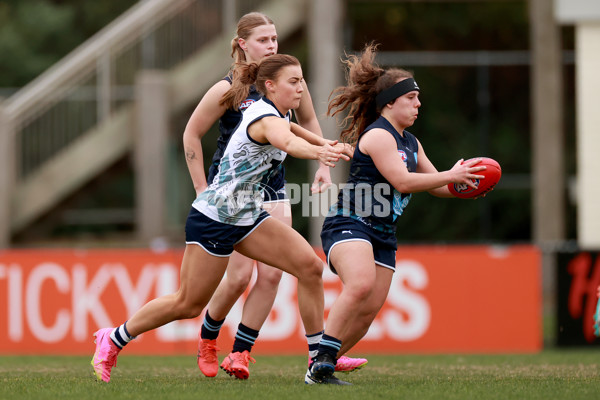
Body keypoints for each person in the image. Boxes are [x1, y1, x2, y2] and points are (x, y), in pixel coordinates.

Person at [91, 54, 349, 384]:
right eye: (294, 81)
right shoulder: (266, 120)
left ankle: (319, 361)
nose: (301, 87)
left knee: (310, 268)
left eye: (302, 80)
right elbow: (286, 140)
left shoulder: (275, 112)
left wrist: (327, 143)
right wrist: (319, 153)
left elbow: (293, 128)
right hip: (214, 218)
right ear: (270, 86)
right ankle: (113, 338)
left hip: (246, 216)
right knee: (187, 303)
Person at [183, 12, 366, 379]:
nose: (271, 45)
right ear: (242, 44)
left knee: (272, 276)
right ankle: (208, 338)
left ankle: (241, 353)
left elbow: (308, 123)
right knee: (236, 280)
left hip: (273, 187)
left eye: (274, 39)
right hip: (231, 194)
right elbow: (191, 135)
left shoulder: (286, 80)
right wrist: (201, 189)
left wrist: (323, 165)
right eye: (263, 40)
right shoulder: (228, 88)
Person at [304, 43, 487, 384]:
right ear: (390, 102)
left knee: (368, 312)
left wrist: (465, 186)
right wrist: (451, 174)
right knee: (360, 284)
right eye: (411, 99)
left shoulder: (411, 142)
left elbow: (435, 186)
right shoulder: (377, 135)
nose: (418, 104)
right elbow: (403, 180)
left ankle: (319, 367)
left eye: (417, 99)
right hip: (351, 221)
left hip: (383, 232)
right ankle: (323, 361)